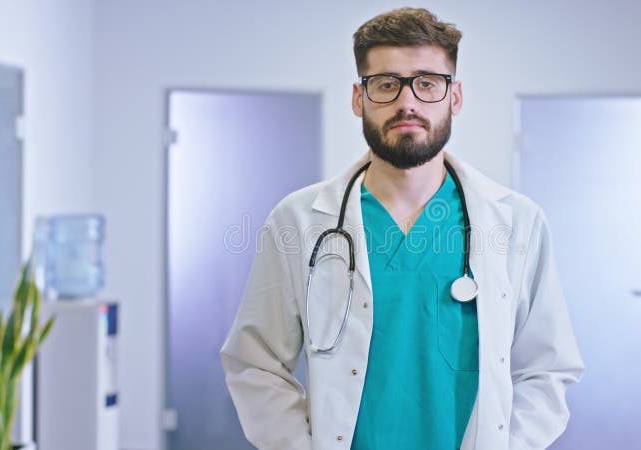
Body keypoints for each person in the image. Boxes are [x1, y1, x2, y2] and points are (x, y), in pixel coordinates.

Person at [220, 7, 583, 450]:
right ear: (359, 98)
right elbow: (254, 363)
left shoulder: (517, 221)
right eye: (386, 84)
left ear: (455, 97)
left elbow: (548, 367)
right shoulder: (297, 220)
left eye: (427, 83)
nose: (407, 102)